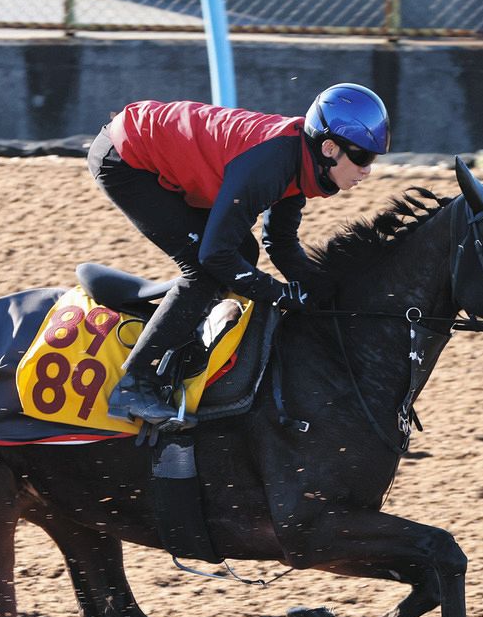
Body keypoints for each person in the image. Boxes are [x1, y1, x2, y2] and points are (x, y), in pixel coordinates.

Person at [87, 83, 391, 426]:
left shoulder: (302, 160)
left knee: (243, 250)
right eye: (363, 157)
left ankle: (187, 333)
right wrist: (281, 295)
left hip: (155, 144)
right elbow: (215, 256)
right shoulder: (272, 166)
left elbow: (280, 242)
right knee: (204, 270)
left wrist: (322, 293)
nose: (368, 170)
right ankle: (134, 384)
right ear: (329, 148)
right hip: (125, 159)